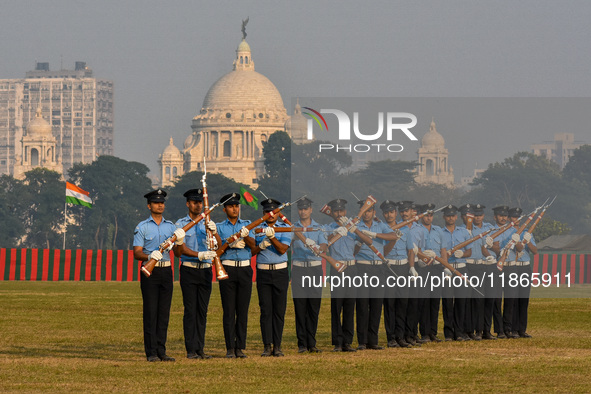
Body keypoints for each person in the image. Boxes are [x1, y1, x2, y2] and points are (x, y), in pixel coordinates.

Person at [133, 189, 181, 362]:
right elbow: (137, 253)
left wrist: (180, 240)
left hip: (166, 270)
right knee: (151, 312)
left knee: (164, 313)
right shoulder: (142, 227)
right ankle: (151, 352)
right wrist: (149, 256)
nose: (160, 205)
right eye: (156, 202)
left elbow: (178, 251)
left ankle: (162, 350)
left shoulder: (171, 227)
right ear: (149, 206)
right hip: (150, 271)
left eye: (162, 202)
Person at [174, 188, 220, 359]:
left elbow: (218, 247)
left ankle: (200, 348)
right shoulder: (181, 224)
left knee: (202, 310)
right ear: (188, 204)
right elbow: (180, 250)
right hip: (189, 269)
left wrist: (214, 232)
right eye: (194, 202)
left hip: (205, 270)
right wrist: (198, 254)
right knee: (190, 310)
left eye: (200, 202)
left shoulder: (207, 222)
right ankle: (191, 349)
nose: (198, 205)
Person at [216, 193, 256, 358]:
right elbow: (217, 249)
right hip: (228, 268)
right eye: (231, 206)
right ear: (225, 209)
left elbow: (254, 247)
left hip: (245, 269)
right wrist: (227, 243)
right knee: (229, 310)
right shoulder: (219, 227)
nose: (235, 209)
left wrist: (245, 236)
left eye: (237, 206)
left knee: (242, 310)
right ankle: (229, 348)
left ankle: (240, 346)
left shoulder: (247, 225)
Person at [354, 200, 397, 350]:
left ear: (374, 213)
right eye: (364, 211)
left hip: (378, 269)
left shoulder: (380, 226)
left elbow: (393, 236)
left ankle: (373, 340)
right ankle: (362, 341)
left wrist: (375, 234)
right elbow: (353, 250)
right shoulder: (355, 226)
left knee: (376, 305)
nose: (367, 214)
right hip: (362, 268)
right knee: (362, 305)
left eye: (369, 211)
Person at [253, 198, 292, 357]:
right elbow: (252, 251)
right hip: (263, 271)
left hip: (280, 272)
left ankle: (277, 345)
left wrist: (272, 237)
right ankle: (267, 345)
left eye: (274, 212)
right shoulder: (256, 228)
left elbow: (283, 249)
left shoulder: (286, 228)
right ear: (263, 213)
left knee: (279, 310)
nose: (271, 215)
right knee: (266, 310)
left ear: (278, 213)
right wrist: (261, 245)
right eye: (267, 212)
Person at [291, 197, 327, 353]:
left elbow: (325, 245)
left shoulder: (319, 228)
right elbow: (287, 244)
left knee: (313, 307)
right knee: (300, 307)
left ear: (311, 209)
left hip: (314, 268)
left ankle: (311, 342)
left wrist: (318, 247)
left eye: (306, 208)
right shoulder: (293, 228)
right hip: (299, 269)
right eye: (300, 208)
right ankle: (302, 344)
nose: (303, 211)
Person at [324, 198, 358, 352]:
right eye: (336, 211)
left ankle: (348, 341)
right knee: (337, 306)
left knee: (350, 305)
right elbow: (323, 247)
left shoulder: (353, 227)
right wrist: (334, 234)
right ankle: (337, 341)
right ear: (331, 212)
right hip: (337, 268)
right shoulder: (327, 228)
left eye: (341, 210)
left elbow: (359, 245)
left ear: (345, 211)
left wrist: (353, 229)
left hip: (351, 267)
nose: (339, 213)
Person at [381, 200, 412, 348]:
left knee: (403, 303)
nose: (389, 215)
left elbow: (410, 249)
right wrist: (393, 239)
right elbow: (384, 251)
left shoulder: (405, 228)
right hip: (389, 267)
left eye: (391, 212)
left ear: (396, 213)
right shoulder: (381, 229)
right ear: (383, 214)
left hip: (403, 267)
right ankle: (391, 337)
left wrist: (411, 267)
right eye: (386, 212)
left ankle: (401, 336)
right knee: (390, 303)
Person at [440, 205, 472, 341]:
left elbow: (469, 251)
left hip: (460, 268)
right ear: (444, 217)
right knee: (447, 301)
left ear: (457, 217)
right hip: (447, 269)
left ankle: (459, 332)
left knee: (461, 301)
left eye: (453, 215)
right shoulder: (439, 232)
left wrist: (463, 253)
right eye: (448, 215)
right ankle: (448, 332)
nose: (451, 218)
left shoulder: (464, 232)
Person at [416, 203, 445, 343]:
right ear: (421, 215)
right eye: (426, 215)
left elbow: (443, 249)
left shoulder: (438, 230)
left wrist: (446, 266)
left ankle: (433, 332)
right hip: (423, 267)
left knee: (435, 300)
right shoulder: (417, 229)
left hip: (437, 268)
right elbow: (414, 249)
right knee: (424, 301)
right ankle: (424, 332)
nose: (428, 218)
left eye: (431, 215)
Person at [490, 205, 511, 338]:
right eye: (500, 215)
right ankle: (499, 329)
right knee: (496, 300)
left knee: (509, 299)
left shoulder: (513, 231)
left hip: (510, 266)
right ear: (495, 217)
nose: (503, 218)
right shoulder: (490, 230)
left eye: (505, 215)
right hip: (495, 267)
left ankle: (508, 327)